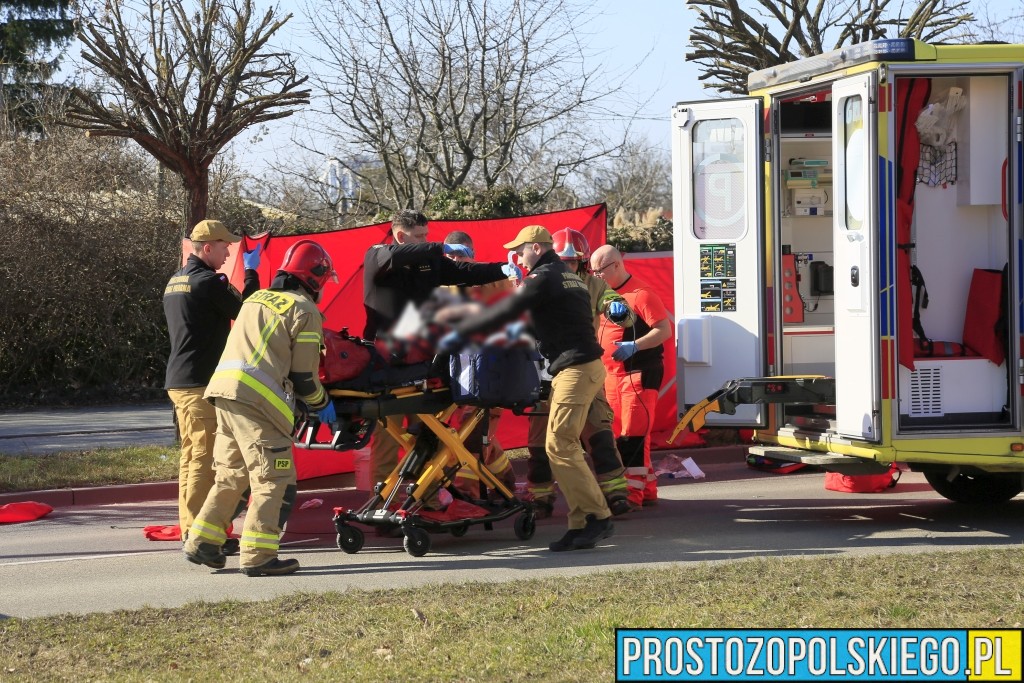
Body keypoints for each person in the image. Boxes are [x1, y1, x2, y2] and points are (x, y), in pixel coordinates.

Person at [441, 225, 615, 552]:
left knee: (560, 444)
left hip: (575, 369)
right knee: (559, 446)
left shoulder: (543, 277)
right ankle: (581, 523)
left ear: (535, 247)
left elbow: (507, 311)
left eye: (521, 250)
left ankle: (597, 517)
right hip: (578, 367)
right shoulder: (567, 276)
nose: (518, 256)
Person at [183, 240, 337, 576]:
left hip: (224, 394)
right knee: (274, 476)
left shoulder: (256, 299)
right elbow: (304, 376)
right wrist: (322, 405)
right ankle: (258, 556)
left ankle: (202, 541)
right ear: (315, 277)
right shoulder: (305, 310)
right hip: (259, 404)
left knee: (231, 475)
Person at [362, 210, 513, 491]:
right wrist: (439, 247)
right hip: (385, 364)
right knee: (386, 440)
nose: (426, 241)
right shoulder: (378, 255)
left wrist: (501, 268)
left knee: (430, 434)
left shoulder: (428, 263)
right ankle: (384, 500)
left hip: (421, 364)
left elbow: (463, 272)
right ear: (400, 235)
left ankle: (427, 499)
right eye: (420, 236)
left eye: (427, 235)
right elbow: (394, 256)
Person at [163, 219, 262, 551]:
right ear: (207, 247)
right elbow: (247, 314)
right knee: (203, 461)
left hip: (182, 379)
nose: (228, 251)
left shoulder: (177, 280)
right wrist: (251, 274)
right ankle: (200, 535)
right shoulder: (206, 282)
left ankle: (193, 528)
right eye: (225, 246)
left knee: (193, 458)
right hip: (198, 382)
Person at [524, 228, 636, 518]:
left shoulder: (593, 285)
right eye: (564, 261)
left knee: (599, 432)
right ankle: (541, 497)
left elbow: (623, 313)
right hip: (544, 372)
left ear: (584, 263)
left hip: (580, 369)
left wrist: (617, 308)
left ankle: (615, 494)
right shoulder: (536, 281)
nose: (569, 267)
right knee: (540, 442)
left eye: (574, 262)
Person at [590, 244, 672, 507]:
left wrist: (635, 346)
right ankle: (646, 489)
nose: (595, 275)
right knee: (620, 434)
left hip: (637, 373)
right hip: (611, 376)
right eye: (591, 271)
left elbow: (664, 330)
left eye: (599, 270)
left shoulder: (641, 294)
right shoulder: (605, 294)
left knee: (633, 434)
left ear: (615, 265)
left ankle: (631, 494)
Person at [441, 230, 517, 500]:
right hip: (459, 376)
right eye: (449, 255)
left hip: (490, 375)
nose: (455, 260)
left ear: (472, 254)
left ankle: (467, 496)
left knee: (470, 437)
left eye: (461, 254)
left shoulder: (495, 280)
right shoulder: (442, 287)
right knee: (473, 434)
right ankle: (505, 478)